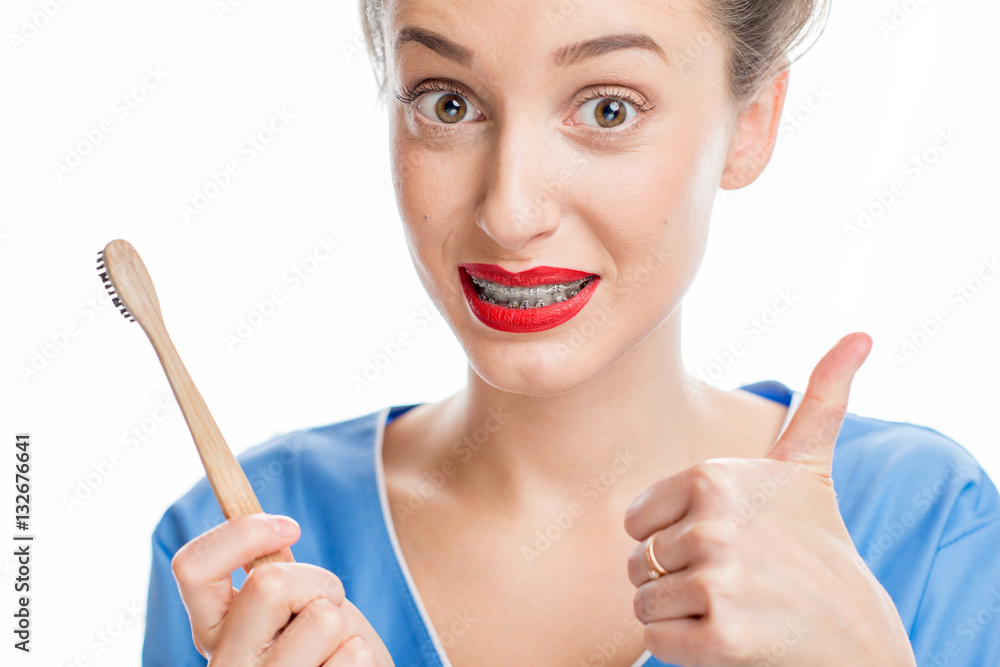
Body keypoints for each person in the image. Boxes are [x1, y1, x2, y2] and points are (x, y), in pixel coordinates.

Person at [142, 0, 1000, 665]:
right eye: (448, 103)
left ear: (752, 123)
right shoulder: (238, 548)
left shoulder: (923, 522)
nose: (511, 211)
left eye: (609, 110)